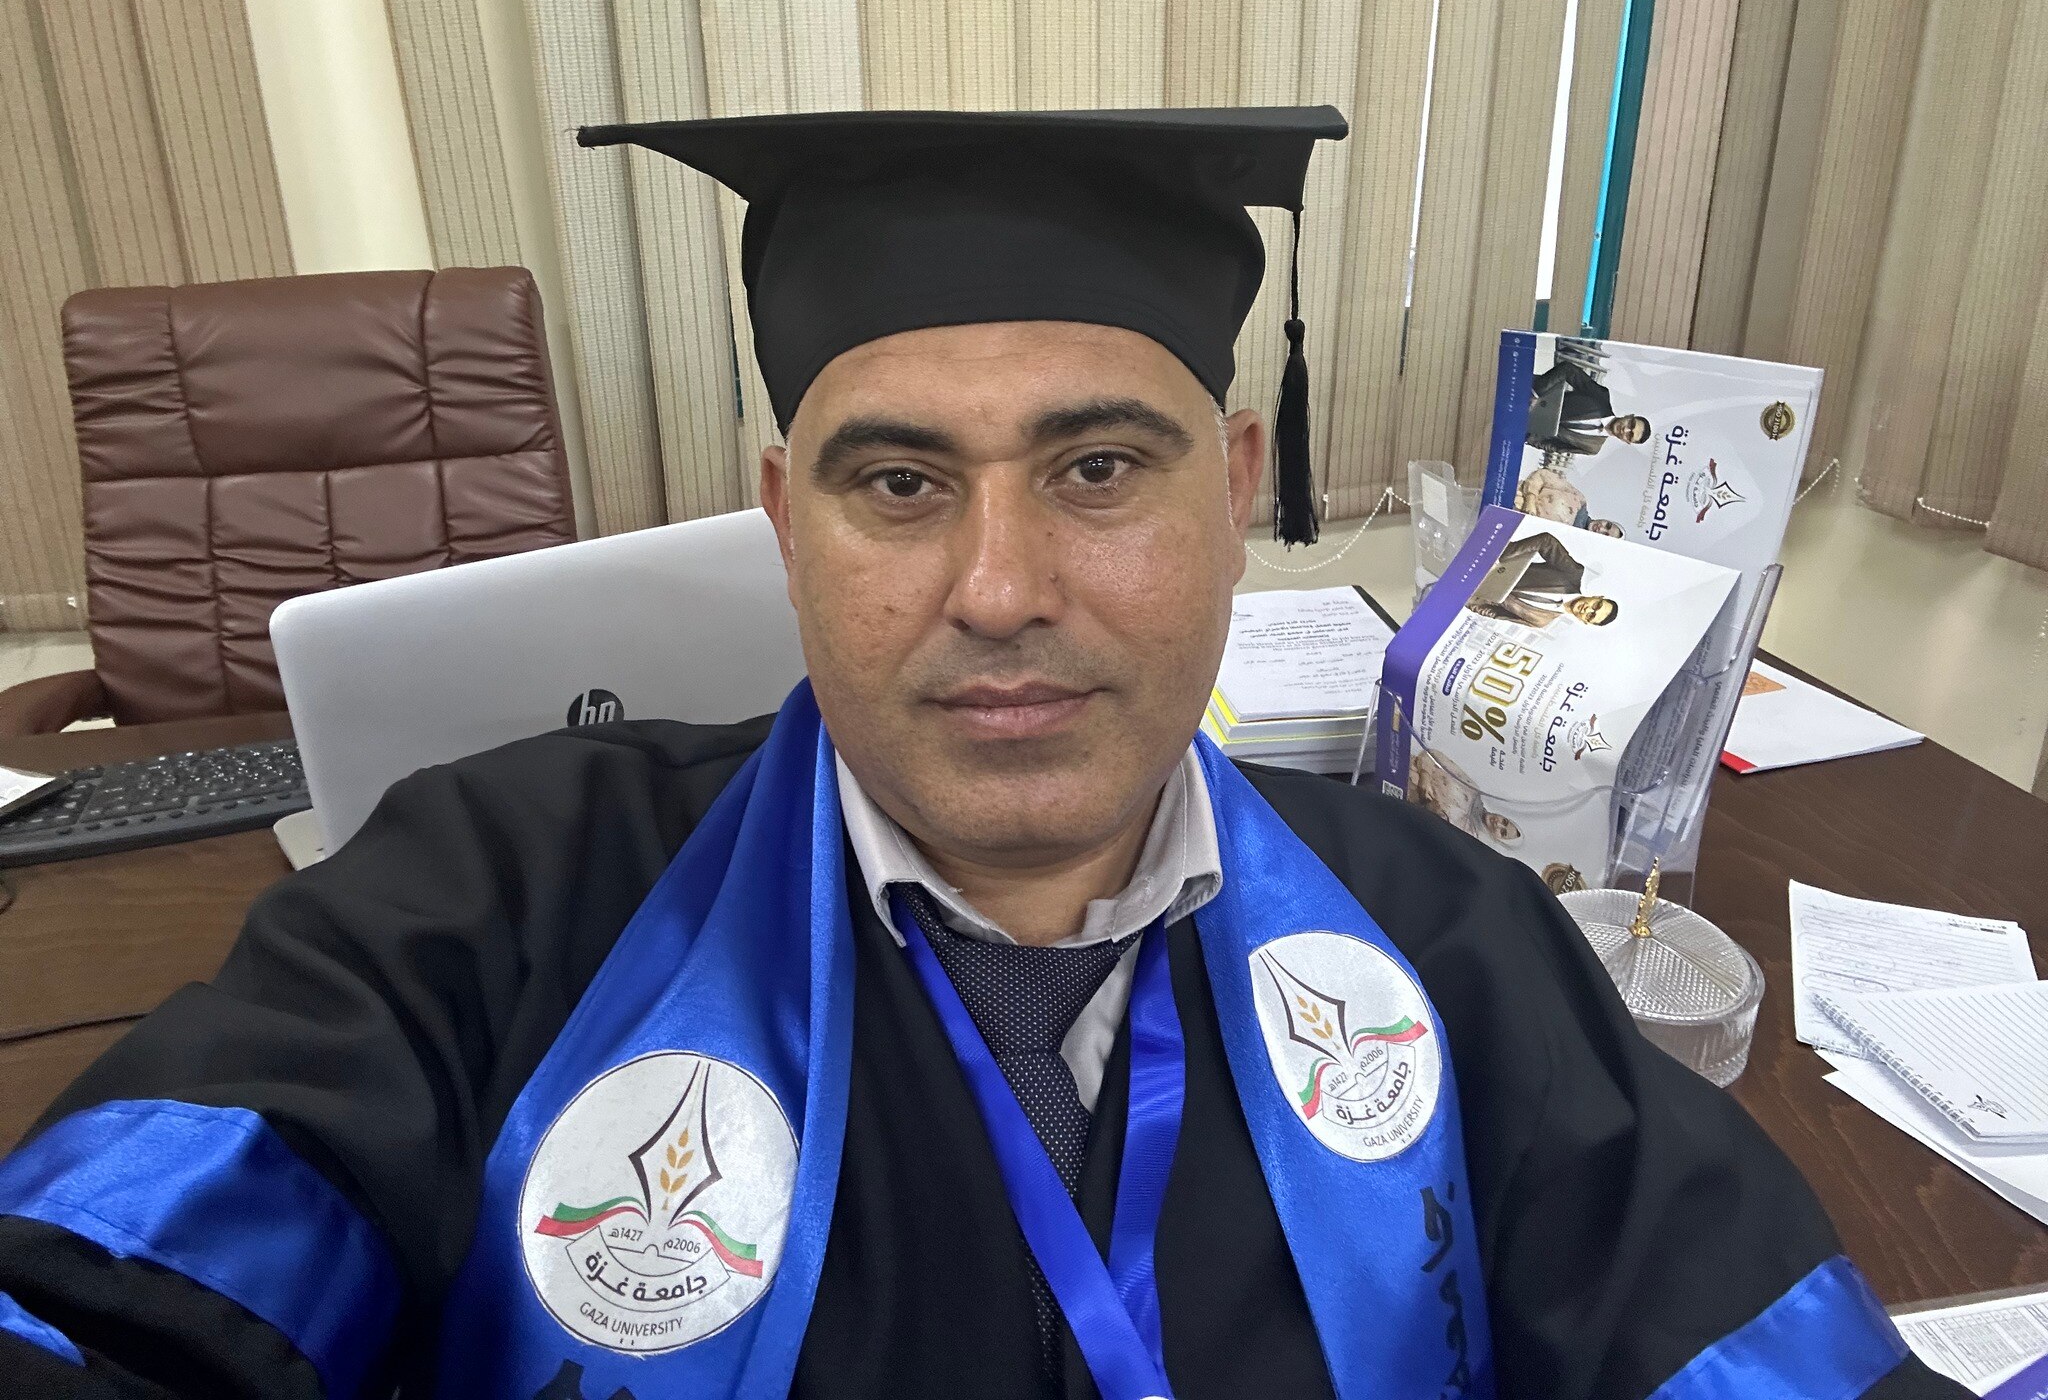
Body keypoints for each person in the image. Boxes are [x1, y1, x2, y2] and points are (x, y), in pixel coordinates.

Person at [0, 107, 1959, 1400]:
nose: (1002, 586)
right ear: (782, 515)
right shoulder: (491, 906)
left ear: (1239, 486)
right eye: (899, 482)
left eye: (1098, 467)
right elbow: (121, 1293)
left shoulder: (1441, 940)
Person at [1467, 532, 1620, 630]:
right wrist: (1497, 558)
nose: (1588, 609)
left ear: (1585, 622)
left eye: (1591, 616)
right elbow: (1546, 542)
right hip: (1478, 558)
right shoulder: (1573, 575)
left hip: (1465, 587)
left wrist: (1466, 600)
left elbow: (1494, 613)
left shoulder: (1541, 621)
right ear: (1598, 596)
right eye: (1597, 605)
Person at [1526, 359, 1651, 456]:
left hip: (1522, 428)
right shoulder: (1601, 397)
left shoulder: (1592, 448)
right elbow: (1568, 370)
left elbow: (1555, 447)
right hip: (1523, 394)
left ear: (1627, 442)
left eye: (1630, 435)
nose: (1626, 430)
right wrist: (1535, 394)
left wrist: (1527, 438)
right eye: (1631, 424)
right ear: (1629, 416)